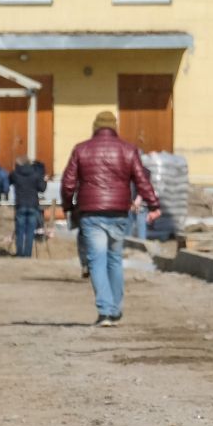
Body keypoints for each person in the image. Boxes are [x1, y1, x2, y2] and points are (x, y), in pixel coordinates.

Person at [60, 112, 161, 325]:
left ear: (95, 127)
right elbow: (142, 179)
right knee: (114, 260)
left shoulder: (81, 149)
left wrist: (68, 206)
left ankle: (105, 311)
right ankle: (115, 309)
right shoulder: (128, 149)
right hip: (118, 211)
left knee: (97, 260)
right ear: (114, 127)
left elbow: (68, 182)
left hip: (90, 213)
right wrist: (154, 205)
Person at [9, 156, 48, 258]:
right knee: (30, 231)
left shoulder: (16, 174)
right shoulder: (35, 174)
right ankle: (27, 254)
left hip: (20, 204)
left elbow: (9, 180)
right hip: (33, 205)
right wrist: (45, 180)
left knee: (20, 231)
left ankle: (19, 253)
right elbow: (42, 188)